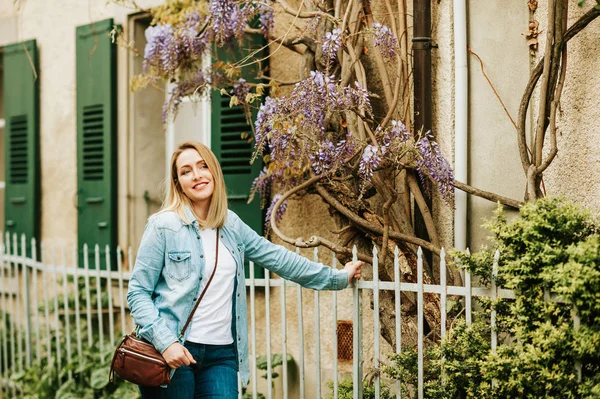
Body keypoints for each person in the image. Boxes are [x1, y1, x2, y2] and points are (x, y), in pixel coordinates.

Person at [127, 141, 363, 398]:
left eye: (203, 166)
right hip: (173, 352)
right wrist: (166, 343)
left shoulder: (231, 225)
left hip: (221, 355)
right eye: (186, 171)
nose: (196, 175)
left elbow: (279, 259)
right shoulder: (163, 226)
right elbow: (138, 293)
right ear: (178, 183)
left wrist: (338, 277)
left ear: (214, 171)